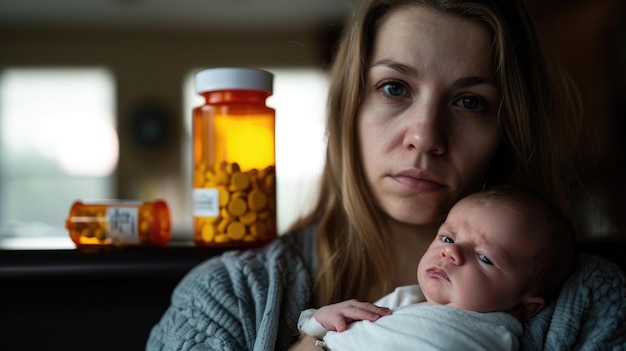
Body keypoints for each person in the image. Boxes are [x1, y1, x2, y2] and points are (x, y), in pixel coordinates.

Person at [147, 1, 626, 350]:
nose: (424, 137)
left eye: (470, 101)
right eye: (394, 88)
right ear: (347, 109)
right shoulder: (226, 298)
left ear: (508, 129)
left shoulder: (588, 299)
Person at [297, 186, 576, 351]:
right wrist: (321, 319)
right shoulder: (403, 299)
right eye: (447, 238)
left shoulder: (494, 336)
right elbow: (325, 329)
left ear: (525, 309)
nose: (450, 252)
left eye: (485, 258)